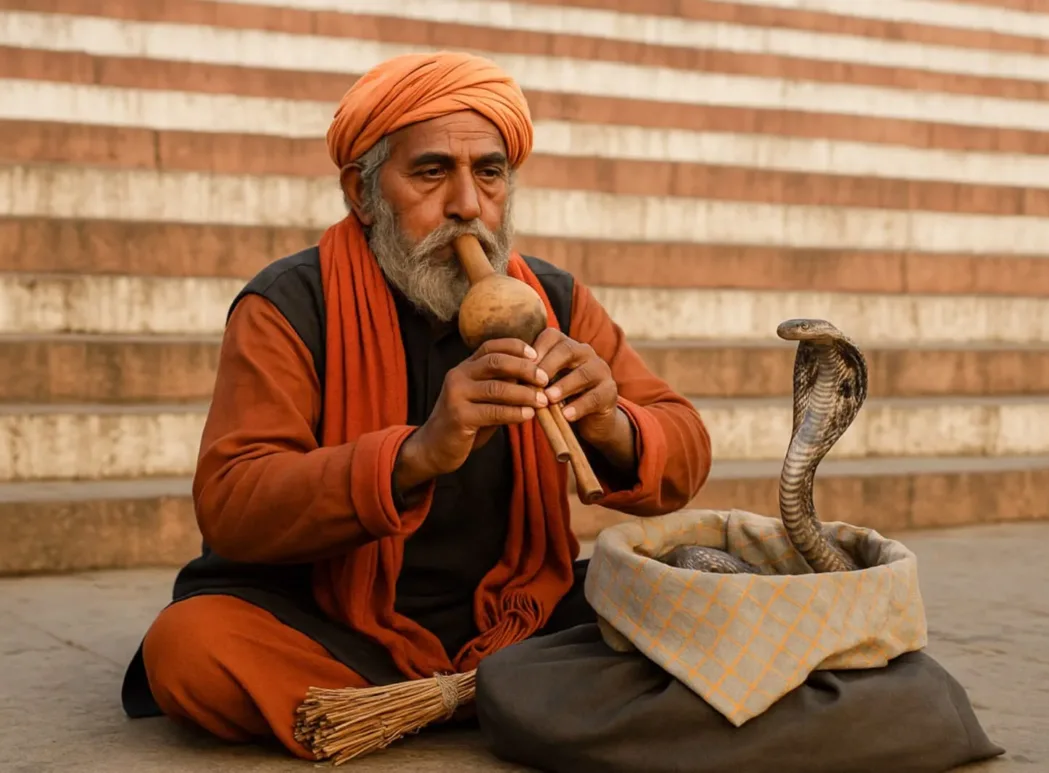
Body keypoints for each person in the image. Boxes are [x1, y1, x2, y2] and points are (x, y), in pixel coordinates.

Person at [118, 50, 713, 759]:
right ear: (363, 194)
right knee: (192, 649)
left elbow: (683, 448)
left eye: (489, 173)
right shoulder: (288, 305)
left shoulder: (552, 301)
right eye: (432, 172)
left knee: (696, 589)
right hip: (332, 618)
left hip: (517, 614)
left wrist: (611, 423)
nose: (466, 204)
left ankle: (449, 695)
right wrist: (413, 455)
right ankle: (499, 693)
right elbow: (234, 501)